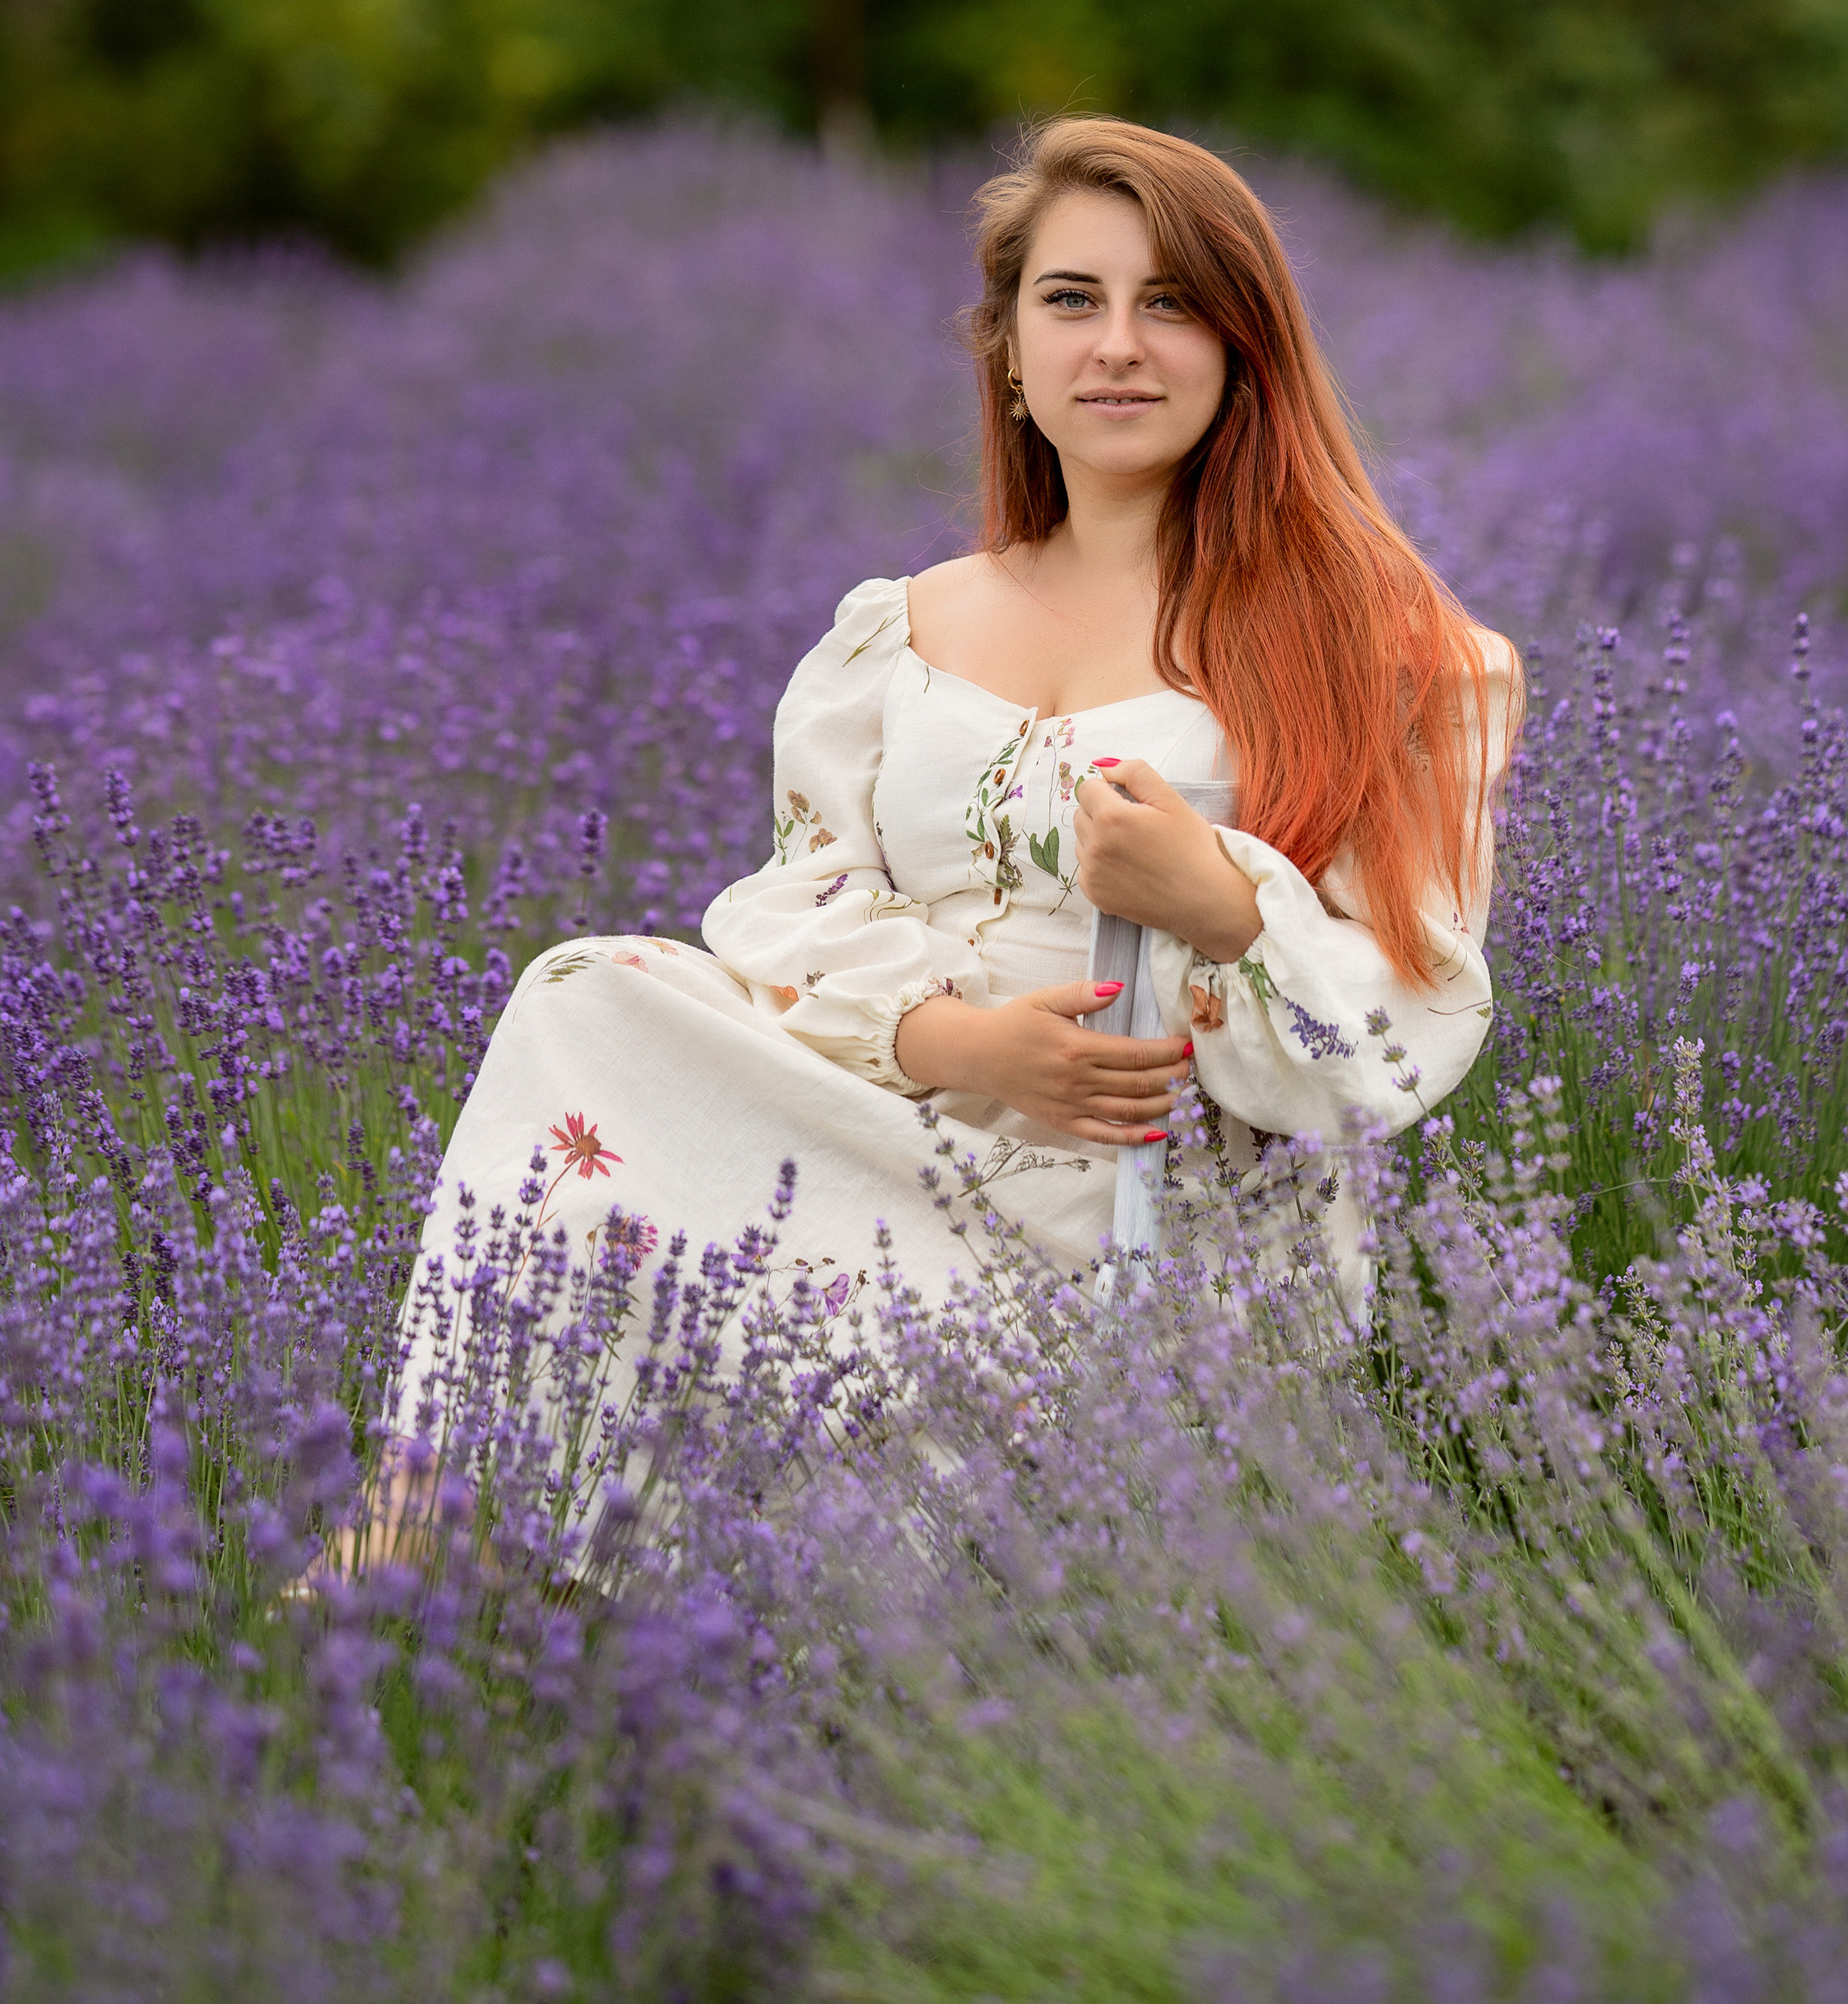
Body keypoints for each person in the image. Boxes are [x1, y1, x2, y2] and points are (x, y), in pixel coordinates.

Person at [389, 118, 1518, 1468]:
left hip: (1151, 1215)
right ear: (1009, 350)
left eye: (1170, 303)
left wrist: (1221, 907)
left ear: (1243, 346)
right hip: (895, 1127)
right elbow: (804, 902)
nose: (1117, 345)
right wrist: (960, 1045)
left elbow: (1411, 1024)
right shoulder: (900, 631)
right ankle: (434, 1512)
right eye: (1071, 300)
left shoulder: (1389, 655)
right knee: (586, 994)